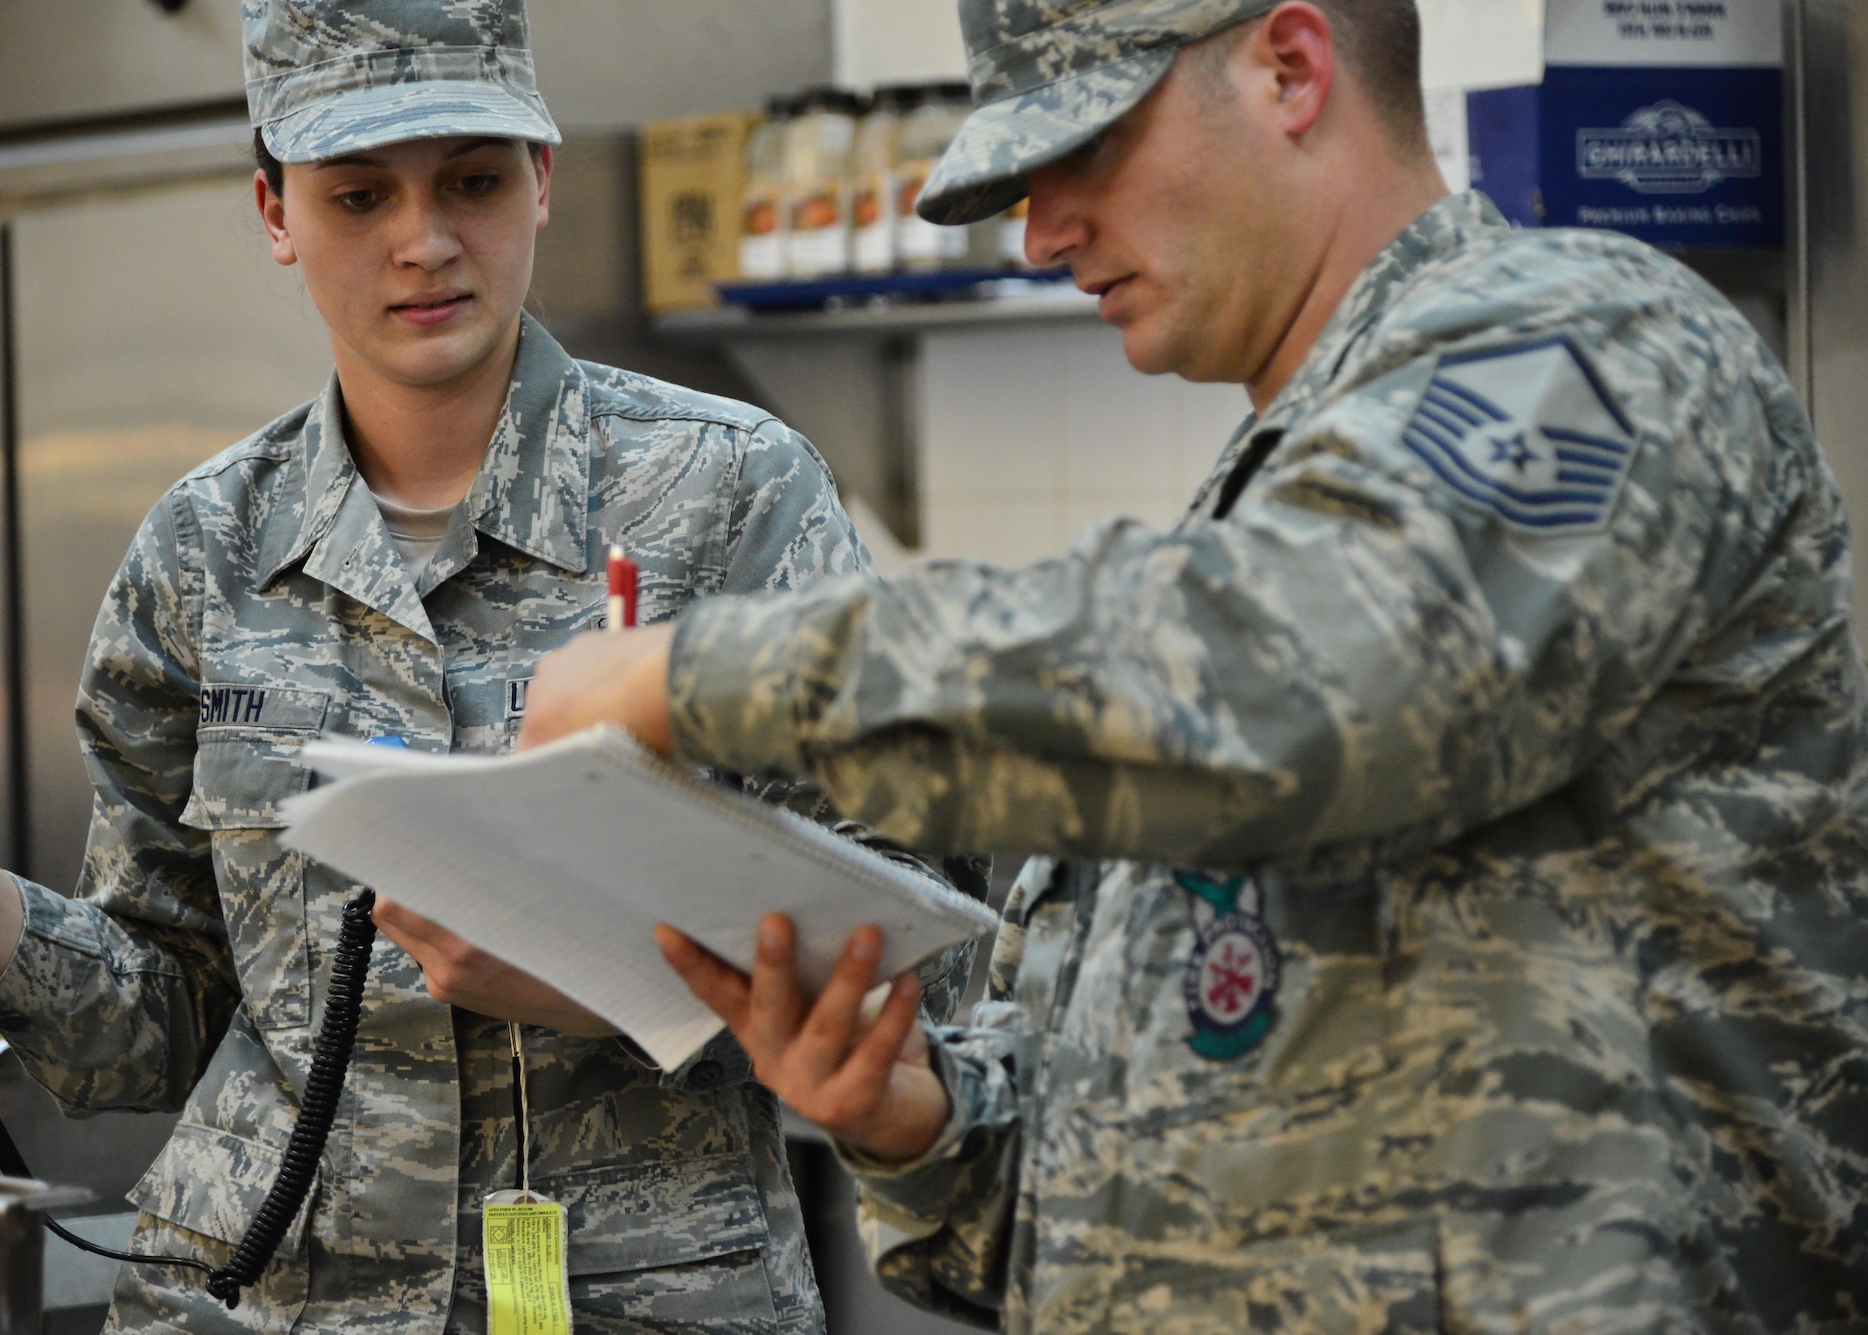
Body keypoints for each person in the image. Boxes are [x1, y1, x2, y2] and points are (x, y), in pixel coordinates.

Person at [510, 0, 1868, 1331]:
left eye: (1083, 153)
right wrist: (913, 1121)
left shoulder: (1601, 345)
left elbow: (1319, 685)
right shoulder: (1253, 541)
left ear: (1290, 66)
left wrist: (698, 675)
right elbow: (1126, 1194)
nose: (1043, 235)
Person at [0, 1, 984, 1331]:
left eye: (472, 178)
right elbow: (161, 1019)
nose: (425, 240)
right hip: (265, 1300)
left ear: (542, 180)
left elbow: (933, 962)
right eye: (358, 195)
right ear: (277, 213)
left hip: (623, 1299)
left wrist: (609, 985)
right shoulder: (206, 545)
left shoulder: (731, 496)